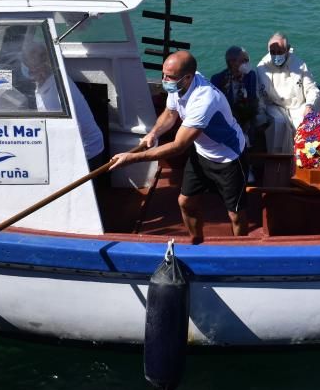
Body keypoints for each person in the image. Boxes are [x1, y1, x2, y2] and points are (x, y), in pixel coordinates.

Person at [111, 51, 248, 242]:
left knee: (235, 214)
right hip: (202, 153)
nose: (165, 80)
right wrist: (153, 133)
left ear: (189, 77)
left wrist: (131, 158)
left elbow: (178, 146)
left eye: (170, 77)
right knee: (185, 202)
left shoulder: (204, 100)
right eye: (164, 75)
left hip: (229, 157)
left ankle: (239, 248)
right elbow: (169, 114)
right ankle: (196, 241)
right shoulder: (178, 87)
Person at [21, 42, 107, 170]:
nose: (29, 72)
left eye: (30, 66)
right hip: (78, 145)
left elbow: (61, 132)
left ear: (41, 67)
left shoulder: (55, 91)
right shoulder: (46, 80)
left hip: (86, 152)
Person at [255, 32, 320, 153]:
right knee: (278, 123)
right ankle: (278, 158)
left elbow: (312, 89)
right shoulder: (262, 68)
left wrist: (310, 105)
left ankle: (305, 157)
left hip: (298, 106)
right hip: (275, 106)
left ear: (287, 49)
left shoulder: (299, 65)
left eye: (280, 52)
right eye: (273, 52)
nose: (276, 55)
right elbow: (259, 96)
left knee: (305, 123)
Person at [210, 46, 259, 142]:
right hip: (227, 117)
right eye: (243, 60)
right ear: (232, 62)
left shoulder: (251, 75)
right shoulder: (217, 79)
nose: (247, 63)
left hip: (246, 116)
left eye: (247, 60)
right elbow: (217, 105)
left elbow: (252, 99)